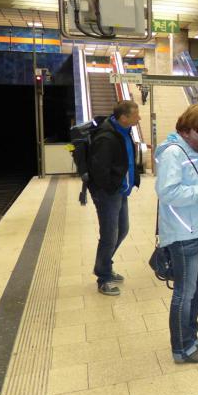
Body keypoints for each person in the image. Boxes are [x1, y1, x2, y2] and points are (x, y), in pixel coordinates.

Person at [155, 103, 198, 364]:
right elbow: (168, 192)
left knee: (193, 291)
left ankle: (191, 340)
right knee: (185, 293)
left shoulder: (193, 151)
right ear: (195, 128)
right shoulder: (174, 153)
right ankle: (182, 348)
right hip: (184, 234)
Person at [88, 100, 141, 296]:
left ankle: (104, 266)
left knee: (122, 230)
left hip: (120, 191)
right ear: (124, 117)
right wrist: (112, 187)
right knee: (109, 235)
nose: (139, 118)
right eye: (135, 115)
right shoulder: (106, 137)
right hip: (109, 193)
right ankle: (104, 278)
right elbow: (99, 170)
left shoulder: (125, 131)